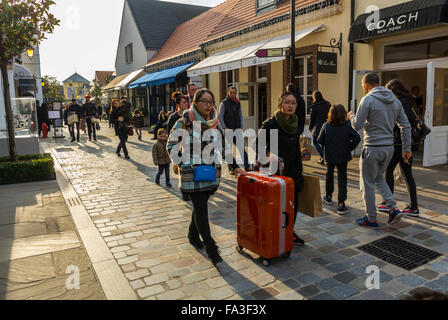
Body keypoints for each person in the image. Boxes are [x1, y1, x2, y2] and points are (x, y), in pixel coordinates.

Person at [167, 88, 246, 265]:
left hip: (210, 171)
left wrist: (234, 166)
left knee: (199, 206)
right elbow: (170, 145)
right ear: (195, 102)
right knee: (201, 207)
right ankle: (211, 248)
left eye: (211, 102)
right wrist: (182, 164)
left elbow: (224, 146)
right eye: (205, 101)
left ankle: (193, 235)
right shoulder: (184, 122)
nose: (209, 105)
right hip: (191, 173)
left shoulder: (214, 123)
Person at [348, 72, 412, 228]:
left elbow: (357, 125)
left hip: (372, 148)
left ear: (366, 85)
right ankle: (393, 209)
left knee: (367, 183)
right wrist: (406, 148)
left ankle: (371, 219)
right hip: (388, 148)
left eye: (363, 86)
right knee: (378, 177)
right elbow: (406, 125)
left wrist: (351, 116)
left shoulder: (368, 99)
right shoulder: (395, 101)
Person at [257, 91, 305, 245]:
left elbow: (296, 146)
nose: (290, 106)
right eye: (287, 102)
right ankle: (274, 233)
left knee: (293, 204)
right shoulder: (271, 124)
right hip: (276, 171)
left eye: (293, 103)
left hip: (294, 170)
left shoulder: (296, 123)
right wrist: (269, 155)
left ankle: (289, 231)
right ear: (279, 104)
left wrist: (302, 153)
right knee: (276, 205)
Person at [380, 79, 420, 216]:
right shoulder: (406, 101)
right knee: (407, 175)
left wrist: (405, 149)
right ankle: (413, 207)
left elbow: (405, 124)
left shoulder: (401, 102)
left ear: (394, 90)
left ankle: (388, 202)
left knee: (388, 171)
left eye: (388, 91)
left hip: (401, 144)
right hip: (405, 144)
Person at [318, 104, 361, 215]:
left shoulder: (326, 125)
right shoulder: (347, 126)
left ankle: (328, 196)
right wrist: (349, 147)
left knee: (329, 174)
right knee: (342, 178)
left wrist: (327, 144)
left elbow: (319, 139)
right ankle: (341, 204)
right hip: (343, 155)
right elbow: (357, 138)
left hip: (330, 155)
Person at [218, 86, 249, 171]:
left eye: (234, 92)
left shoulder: (238, 102)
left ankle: (247, 166)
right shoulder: (224, 103)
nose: (233, 94)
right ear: (228, 93)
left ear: (236, 93)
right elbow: (220, 117)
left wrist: (241, 126)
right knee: (229, 150)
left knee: (241, 148)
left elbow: (240, 115)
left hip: (238, 129)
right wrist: (225, 127)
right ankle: (231, 168)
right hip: (228, 130)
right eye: (231, 92)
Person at [309, 90, 331, 165]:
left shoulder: (314, 107)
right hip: (328, 126)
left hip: (318, 128)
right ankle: (323, 158)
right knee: (323, 143)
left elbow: (312, 119)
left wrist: (310, 127)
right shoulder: (328, 104)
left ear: (314, 97)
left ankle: (323, 157)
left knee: (315, 142)